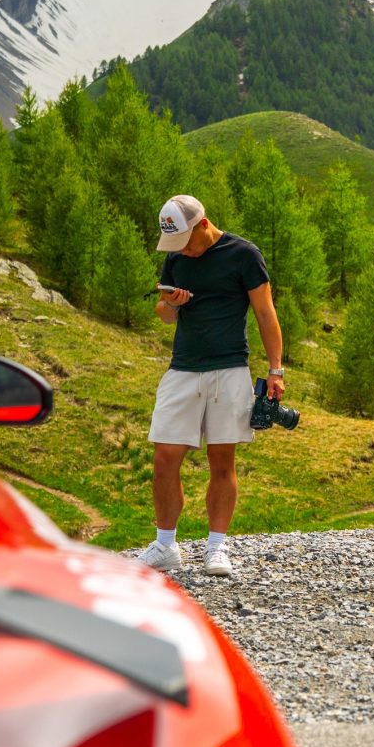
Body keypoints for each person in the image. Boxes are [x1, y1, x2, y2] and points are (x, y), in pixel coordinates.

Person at [137, 194, 285, 577]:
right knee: (164, 458)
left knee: (222, 461)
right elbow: (164, 313)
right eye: (175, 244)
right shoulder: (176, 257)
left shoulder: (244, 255)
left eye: (186, 240)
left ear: (203, 224)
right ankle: (165, 546)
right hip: (182, 368)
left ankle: (216, 548)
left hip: (229, 368)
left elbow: (265, 312)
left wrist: (276, 370)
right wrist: (173, 303)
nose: (182, 250)